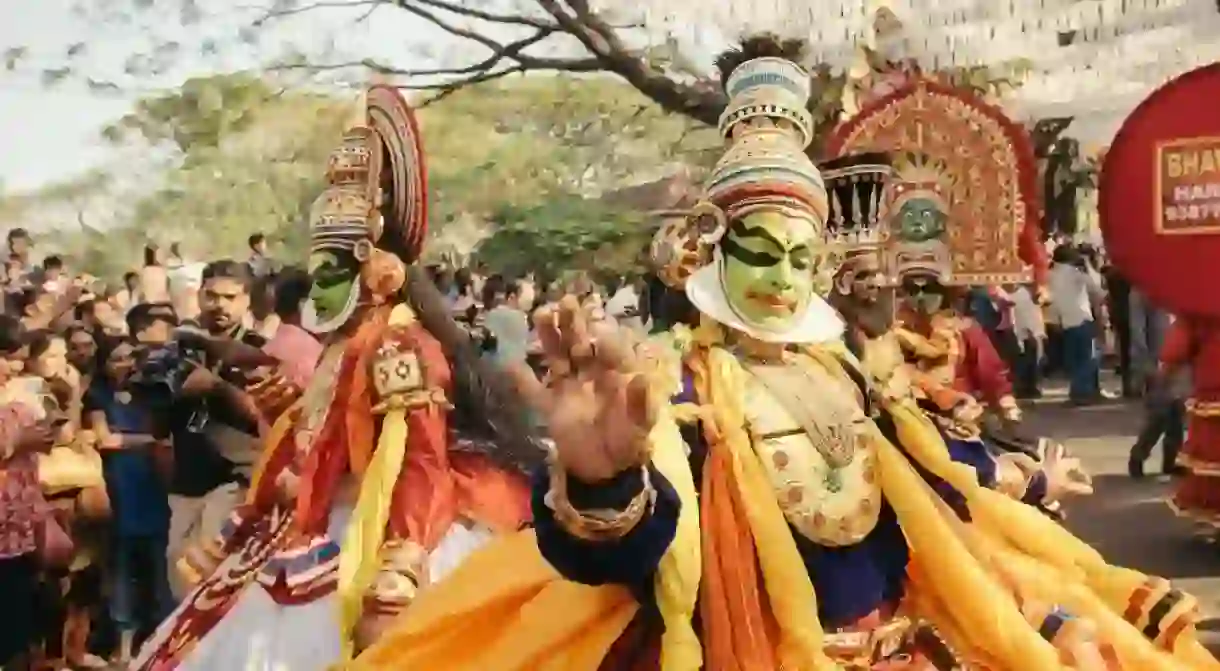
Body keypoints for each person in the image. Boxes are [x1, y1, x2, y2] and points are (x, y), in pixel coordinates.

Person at [353, 44, 1216, 671]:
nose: (784, 277)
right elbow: (638, 558)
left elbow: (934, 484)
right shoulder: (678, 386)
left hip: (905, 640)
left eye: (803, 258)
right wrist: (604, 482)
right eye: (763, 251)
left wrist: (1024, 481)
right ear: (713, 251)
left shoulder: (841, 370)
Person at [132, 86, 541, 671]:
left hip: (382, 532)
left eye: (333, 266)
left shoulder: (399, 343)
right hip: (318, 522)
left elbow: (420, 460)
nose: (318, 281)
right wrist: (284, 420)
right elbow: (332, 444)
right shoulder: (348, 346)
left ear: (376, 269)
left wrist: (401, 565)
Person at [86, 336, 174, 663]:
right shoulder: (97, 396)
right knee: (123, 565)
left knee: (161, 564)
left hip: (153, 485)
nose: (125, 363)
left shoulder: (152, 392)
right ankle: (123, 647)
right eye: (117, 358)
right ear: (105, 364)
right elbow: (104, 439)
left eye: (129, 357)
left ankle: (168, 641)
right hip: (121, 486)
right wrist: (153, 441)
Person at [1048, 244, 1107, 404]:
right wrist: (1088, 265)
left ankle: (1083, 392)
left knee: (1075, 360)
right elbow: (1097, 289)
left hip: (1065, 322)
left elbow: (1051, 300)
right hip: (1082, 319)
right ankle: (1082, 393)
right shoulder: (1076, 274)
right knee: (1088, 358)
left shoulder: (1050, 275)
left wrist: (1054, 321)